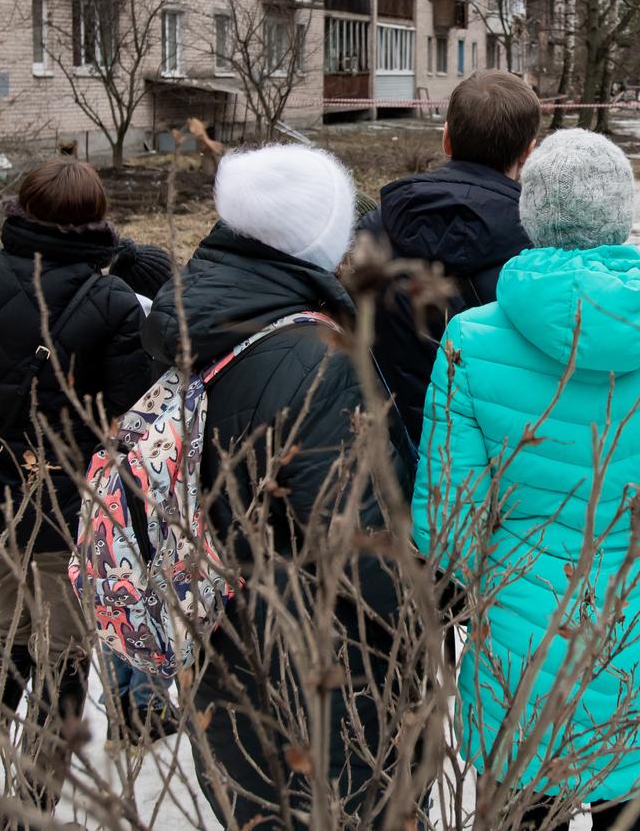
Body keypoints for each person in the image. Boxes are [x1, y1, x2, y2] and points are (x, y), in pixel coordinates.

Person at [412, 129, 640, 830]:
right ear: (624, 214)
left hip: (524, 647)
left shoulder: (470, 339)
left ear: (532, 213)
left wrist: (508, 577)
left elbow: (446, 530)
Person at [144, 144, 415, 829]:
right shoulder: (317, 357)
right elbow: (366, 553)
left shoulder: (196, 317)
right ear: (315, 241)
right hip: (320, 674)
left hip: (219, 646)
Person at [0, 152, 167, 821]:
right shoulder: (111, 300)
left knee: (9, 640)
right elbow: (130, 414)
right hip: (69, 510)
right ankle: (27, 807)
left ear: (19, 209)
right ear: (96, 221)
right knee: (63, 657)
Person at [359, 69, 539, 444]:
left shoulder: (370, 234)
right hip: (489, 455)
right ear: (528, 152)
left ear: (446, 139)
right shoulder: (538, 256)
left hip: (388, 450)